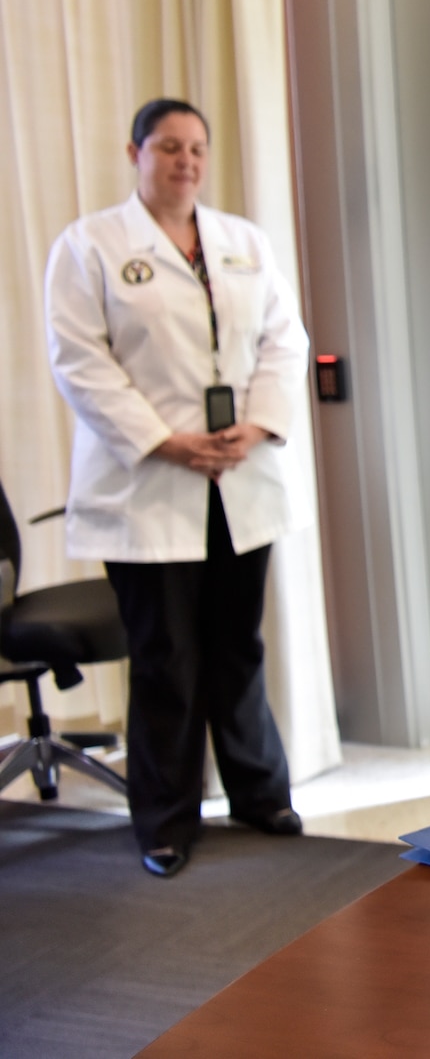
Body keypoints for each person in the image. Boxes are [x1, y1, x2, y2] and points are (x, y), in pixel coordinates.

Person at [44, 98, 310, 878]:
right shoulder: (89, 245)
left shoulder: (244, 243)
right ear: (135, 152)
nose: (185, 161)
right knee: (165, 656)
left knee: (238, 648)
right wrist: (168, 441)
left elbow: (282, 340)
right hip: (149, 487)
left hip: (239, 477)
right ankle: (165, 820)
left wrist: (255, 426)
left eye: (196, 148)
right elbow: (79, 360)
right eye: (168, 147)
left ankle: (263, 797)